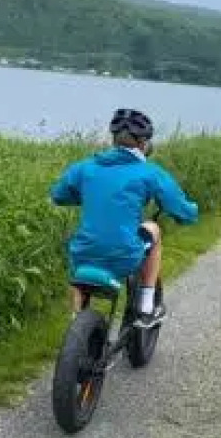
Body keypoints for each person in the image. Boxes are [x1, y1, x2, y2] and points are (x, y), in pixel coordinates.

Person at [50, 108, 199, 328]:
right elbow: (183, 211)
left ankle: (76, 319)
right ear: (143, 144)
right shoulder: (150, 172)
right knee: (153, 230)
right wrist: (191, 211)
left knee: (82, 245)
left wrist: (92, 197)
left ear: (114, 139)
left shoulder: (84, 168)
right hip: (124, 256)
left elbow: (58, 196)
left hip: (83, 255)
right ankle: (146, 308)